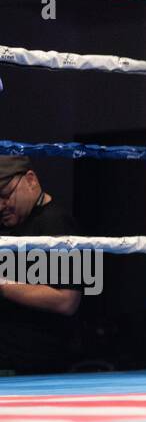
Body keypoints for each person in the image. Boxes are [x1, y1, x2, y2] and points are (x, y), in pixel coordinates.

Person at [0, 156, 84, 374]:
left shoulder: (58, 223)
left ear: (30, 180)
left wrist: (2, 285)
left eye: (5, 194)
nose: (1, 205)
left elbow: (67, 301)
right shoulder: (8, 225)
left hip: (36, 364)